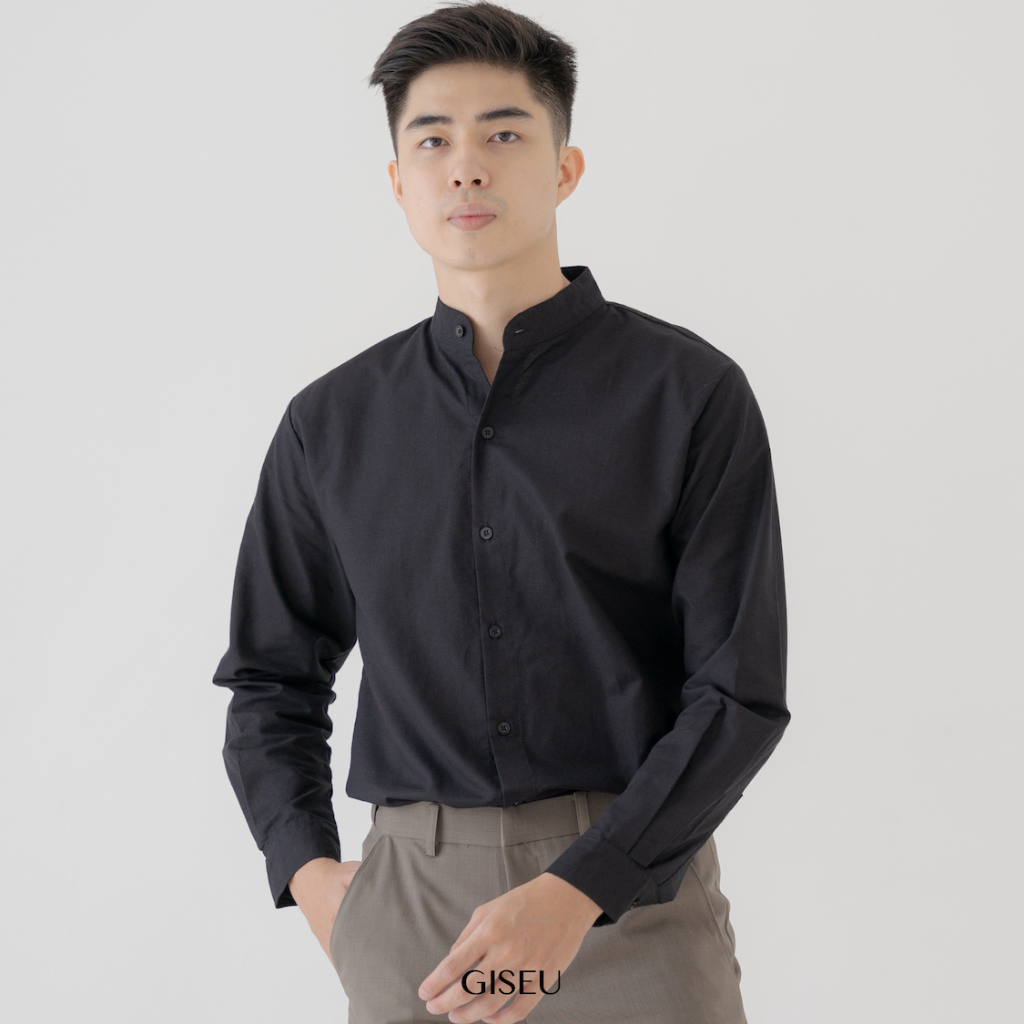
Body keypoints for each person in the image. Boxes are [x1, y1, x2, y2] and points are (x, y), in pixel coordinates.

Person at [212, 2, 790, 1021]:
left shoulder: (688, 395)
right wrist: (313, 877)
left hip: (632, 905)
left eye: (504, 135)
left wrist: (580, 889)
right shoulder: (330, 424)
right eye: (432, 140)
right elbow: (270, 676)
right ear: (399, 181)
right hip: (411, 917)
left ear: (565, 168)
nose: (466, 167)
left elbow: (737, 694)